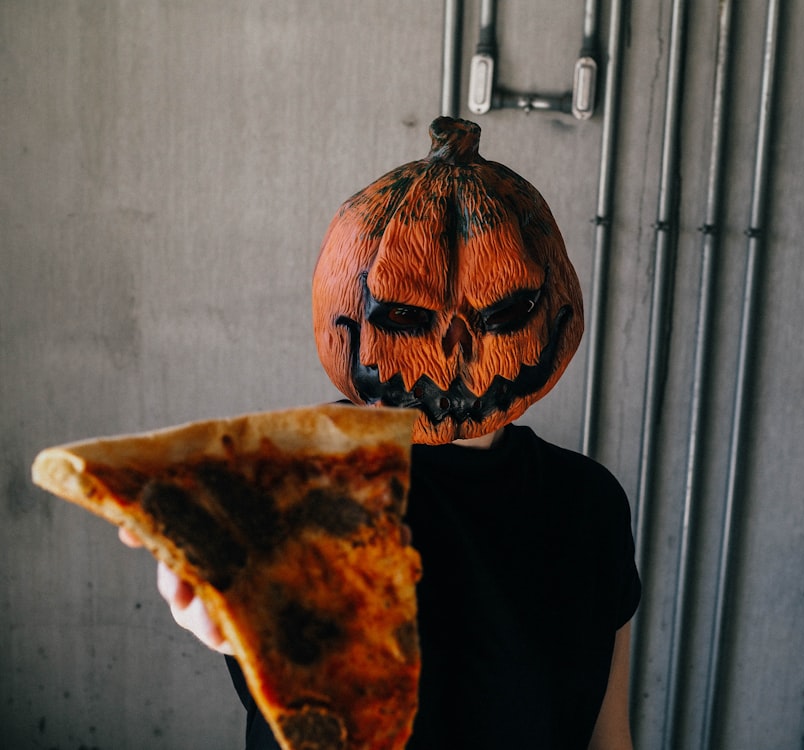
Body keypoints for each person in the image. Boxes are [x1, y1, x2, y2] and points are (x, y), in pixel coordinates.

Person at [123, 117, 640, 749]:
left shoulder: (590, 506)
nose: (456, 349)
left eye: (503, 310)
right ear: (347, 311)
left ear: (555, 294)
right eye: (401, 314)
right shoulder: (297, 485)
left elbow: (607, 737)